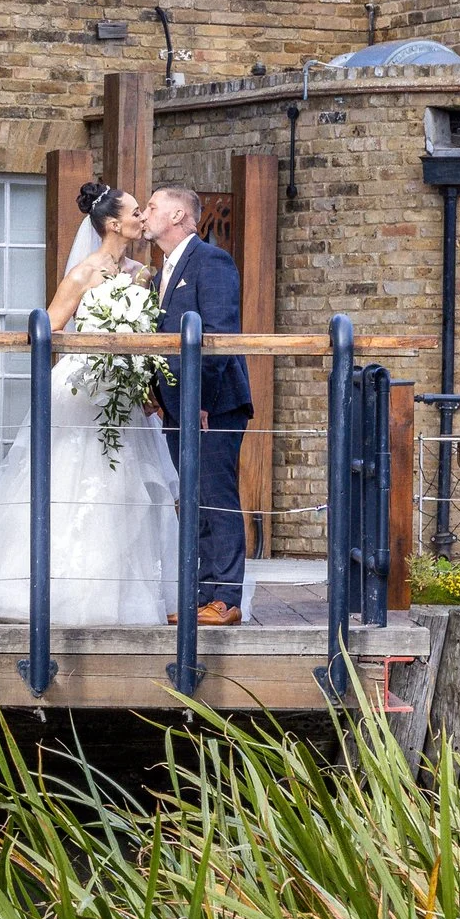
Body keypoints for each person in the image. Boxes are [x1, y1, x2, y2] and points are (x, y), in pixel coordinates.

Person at [0, 184, 177, 625]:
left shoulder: (143, 273)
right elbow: (48, 330)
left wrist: (136, 378)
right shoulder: (83, 274)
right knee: (67, 479)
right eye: (135, 211)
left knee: (124, 487)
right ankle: (36, 590)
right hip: (83, 385)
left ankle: (117, 596)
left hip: (120, 392)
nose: (142, 217)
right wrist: (90, 357)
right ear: (112, 223)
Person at [143, 184, 254, 625]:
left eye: (152, 206)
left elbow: (219, 335)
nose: (145, 213)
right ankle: (203, 596)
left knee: (216, 498)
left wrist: (200, 400)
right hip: (178, 407)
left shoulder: (212, 261)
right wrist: (155, 390)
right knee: (194, 500)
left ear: (177, 216)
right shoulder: (161, 272)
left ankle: (225, 600)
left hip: (213, 405)